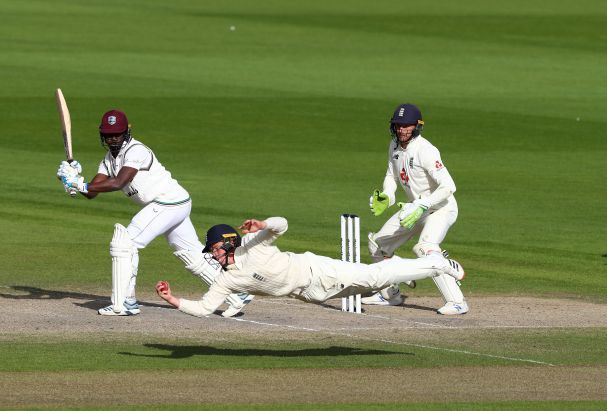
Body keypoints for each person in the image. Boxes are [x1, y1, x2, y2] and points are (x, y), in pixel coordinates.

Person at [57, 109, 252, 316]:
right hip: (172, 204)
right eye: (108, 134)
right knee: (191, 254)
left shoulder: (136, 151)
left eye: (117, 133)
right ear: (102, 135)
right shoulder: (108, 159)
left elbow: (119, 182)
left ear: (127, 132)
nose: (113, 138)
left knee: (125, 243)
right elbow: (92, 192)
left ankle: (124, 303)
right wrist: (74, 180)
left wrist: (80, 184)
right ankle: (236, 292)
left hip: (168, 202)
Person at [154, 217, 465, 317]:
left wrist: (262, 223)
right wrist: (173, 299)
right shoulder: (226, 281)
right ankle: (410, 267)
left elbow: (282, 225)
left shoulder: (253, 244)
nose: (212, 255)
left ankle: (436, 264)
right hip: (313, 294)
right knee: (375, 282)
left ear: (227, 242)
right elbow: (206, 309)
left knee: (376, 276)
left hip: (318, 271)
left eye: (214, 249)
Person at [365, 103, 468, 315]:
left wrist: (424, 203)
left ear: (417, 126)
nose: (402, 130)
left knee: (425, 248)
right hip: (414, 209)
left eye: (407, 126)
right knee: (378, 244)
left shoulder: (426, 151)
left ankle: (457, 302)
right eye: (398, 125)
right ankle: (390, 294)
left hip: (440, 208)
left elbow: (449, 186)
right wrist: (388, 194)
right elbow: (391, 175)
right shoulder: (394, 146)